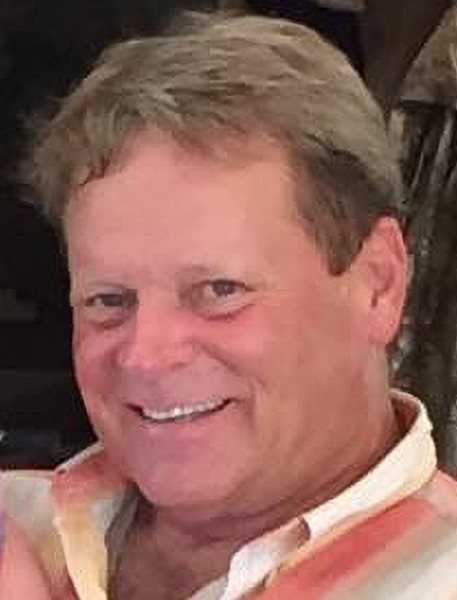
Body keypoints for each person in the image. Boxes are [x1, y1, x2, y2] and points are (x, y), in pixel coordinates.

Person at [2, 14, 457, 600]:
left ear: (378, 283)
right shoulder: (17, 520)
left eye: (219, 290)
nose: (146, 355)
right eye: (108, 300)